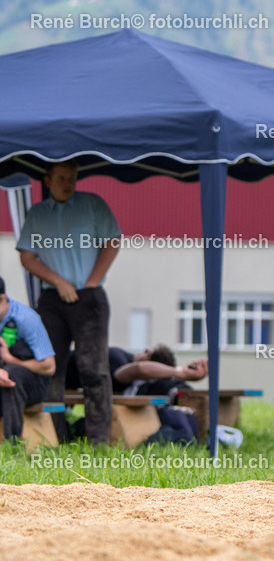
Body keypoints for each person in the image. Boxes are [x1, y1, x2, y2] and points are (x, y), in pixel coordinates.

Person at [16, 160, 121, 444]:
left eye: (72, 178)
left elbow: (113, 241)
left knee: (95, 370)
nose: (68, 183)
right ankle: (53, 439)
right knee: (50, 369)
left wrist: (90, 283)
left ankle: (98, 442)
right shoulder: (37, 213)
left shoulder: (92, 204)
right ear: (48, 181)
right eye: (62, 178)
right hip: (52, 298)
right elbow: (27, 256)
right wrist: (59, 281)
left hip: (90, 297)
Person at [65, 344, 208, 443]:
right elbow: (139, 369)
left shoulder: (123, 361)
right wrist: (180, 372)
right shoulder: (117, 359)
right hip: (59, 375)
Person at [0, 276, 56, 444]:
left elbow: (49, 366)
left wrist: (10, 360)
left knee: (11, 375)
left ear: (2, 299)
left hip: (34, 383)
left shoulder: (26, 319)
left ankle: (12, 445)